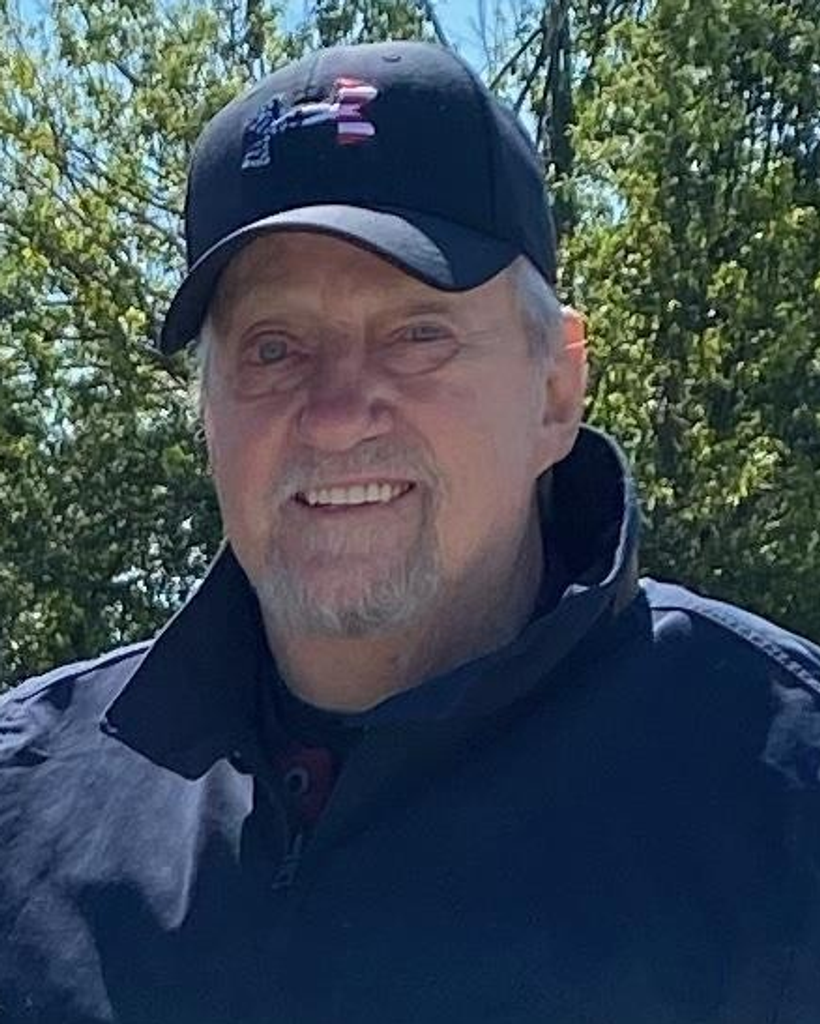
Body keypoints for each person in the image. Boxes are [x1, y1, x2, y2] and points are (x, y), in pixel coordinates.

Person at [1, 39, 819, 1024]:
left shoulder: (782, 799)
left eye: (418, 334)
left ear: (556, 392)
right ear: (207, 412)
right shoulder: (27, 809)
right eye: (273, 347)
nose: (337, 416)